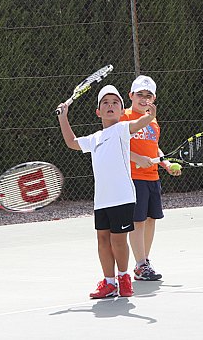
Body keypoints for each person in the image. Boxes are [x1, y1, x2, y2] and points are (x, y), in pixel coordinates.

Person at [57, 84, 156, 299]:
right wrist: (63, 117)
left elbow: (140, 122)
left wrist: (150, 115)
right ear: (98, 112)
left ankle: (124, 278)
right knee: (103, 239)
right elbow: (72, 142)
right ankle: (109, 283)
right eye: (105, 103)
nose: (110, 106)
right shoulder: (95, 138)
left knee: (118, 240)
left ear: (122, 111)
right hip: (101, 200)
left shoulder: (122, 129)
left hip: (122, 198)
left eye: (115, 103)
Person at [121, 75, 181, 282]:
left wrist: (164, 163)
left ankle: (145, 260)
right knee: (137, 221)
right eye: (140, 95)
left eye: (148, 95)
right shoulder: (124, 117)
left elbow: (155, 147)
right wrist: (137, 158)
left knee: (150, 219)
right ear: (131, 95)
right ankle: (140, 265)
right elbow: (115, 145)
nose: (144, 99)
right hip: (133, 177)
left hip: (152, 176)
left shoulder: (153, 120)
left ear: (154, 99)